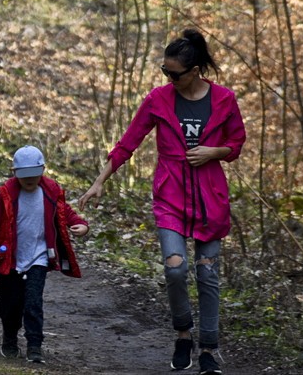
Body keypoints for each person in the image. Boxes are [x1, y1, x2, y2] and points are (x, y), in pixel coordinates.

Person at [78, 29, 246, 375]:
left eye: (175, 73)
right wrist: (99, 182)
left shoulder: (225, 99)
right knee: (175, 268)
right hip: (170, 195)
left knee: (207, 274)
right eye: (165, 71)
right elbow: (128, 143)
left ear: (195, 71)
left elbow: (236, 143)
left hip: (210, 197)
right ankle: (183, 334)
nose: (169, 78)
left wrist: (213, 152)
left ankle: (209, 350)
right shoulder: (158, 99)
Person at [0, 145, 89, 364]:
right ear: (14, 173)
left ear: (42, 170)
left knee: (33, 302)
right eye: (24, 175)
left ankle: (34, 345)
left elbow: (65, 212)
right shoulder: (7, 194)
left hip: (39, 257)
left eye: (34, 174)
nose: (29, 179)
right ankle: (9, 338)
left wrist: (81, 224)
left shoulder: (50, 191)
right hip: (11, 259)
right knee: (10, 304)